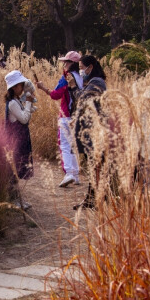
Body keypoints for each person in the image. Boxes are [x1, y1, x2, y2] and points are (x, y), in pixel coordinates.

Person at [35, 50, 83, 188]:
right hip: (77, 116)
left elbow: (56, 94)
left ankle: (68, 173)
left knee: (64, 145)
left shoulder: (67, 77)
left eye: (66, 62)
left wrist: (43, 88)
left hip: (66, 116)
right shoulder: (82, 78)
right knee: (73, 145)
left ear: (71, 63)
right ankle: (76, 174)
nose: (64, 64)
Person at [72, 55, 108, 210]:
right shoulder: (91, 82)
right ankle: (91, 198)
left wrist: (74, 87)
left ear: (90, 67)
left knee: (95, 166)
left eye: (82, 67)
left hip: (95, 131)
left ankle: (97, 199)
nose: (81, 71)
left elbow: (84, 100)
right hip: (90, 130)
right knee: (93, 166)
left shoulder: (97, 82)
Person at [3, 70, 35, 209]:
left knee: (15, 168)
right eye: (21, 85)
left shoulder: (16, 101)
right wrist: (28, 103)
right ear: (14, 87)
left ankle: (17, 200)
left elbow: (26, 113)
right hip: (15, 140)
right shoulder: (12, 103)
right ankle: (14, 200)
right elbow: (24, 118)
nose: (23, 88)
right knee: (13, 169)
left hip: (19, 139)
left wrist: (29, 104)